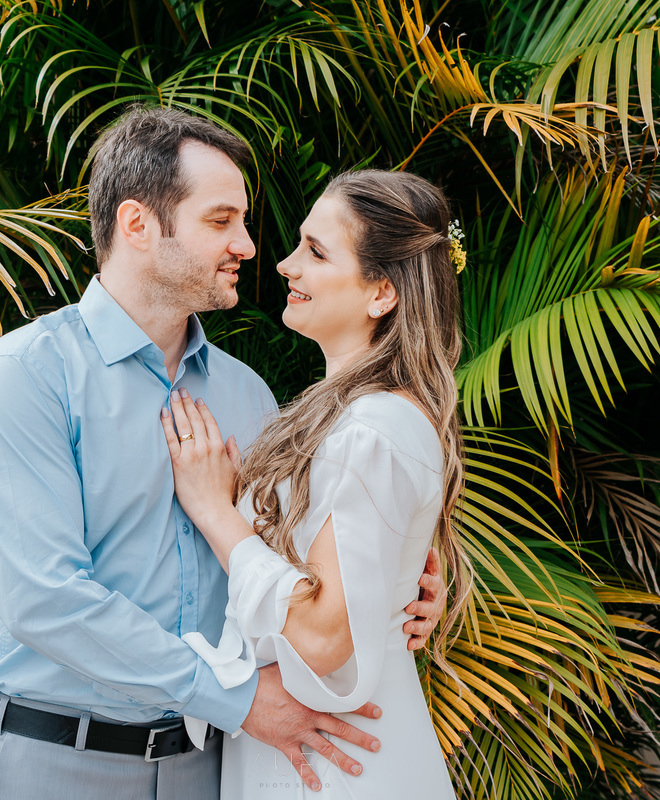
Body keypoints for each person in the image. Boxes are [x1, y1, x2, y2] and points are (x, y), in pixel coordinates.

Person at [0, 107, 446, 800]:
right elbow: (47, 600)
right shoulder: (26, 376)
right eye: (220, 221)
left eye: (243, 220)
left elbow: (293, 569)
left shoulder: (253, 398)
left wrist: (393, 592)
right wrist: (236, 698)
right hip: (49, 761)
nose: (248, 243)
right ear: (137, 225)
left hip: (206, 771)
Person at [160, 169, 469, 799]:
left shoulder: (375, 427)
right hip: (312, 747)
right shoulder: (344, 415)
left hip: (336, 761)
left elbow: (325, 638)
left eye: (316, 252)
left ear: (381, 292)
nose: (283, 264)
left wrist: (216, 512)